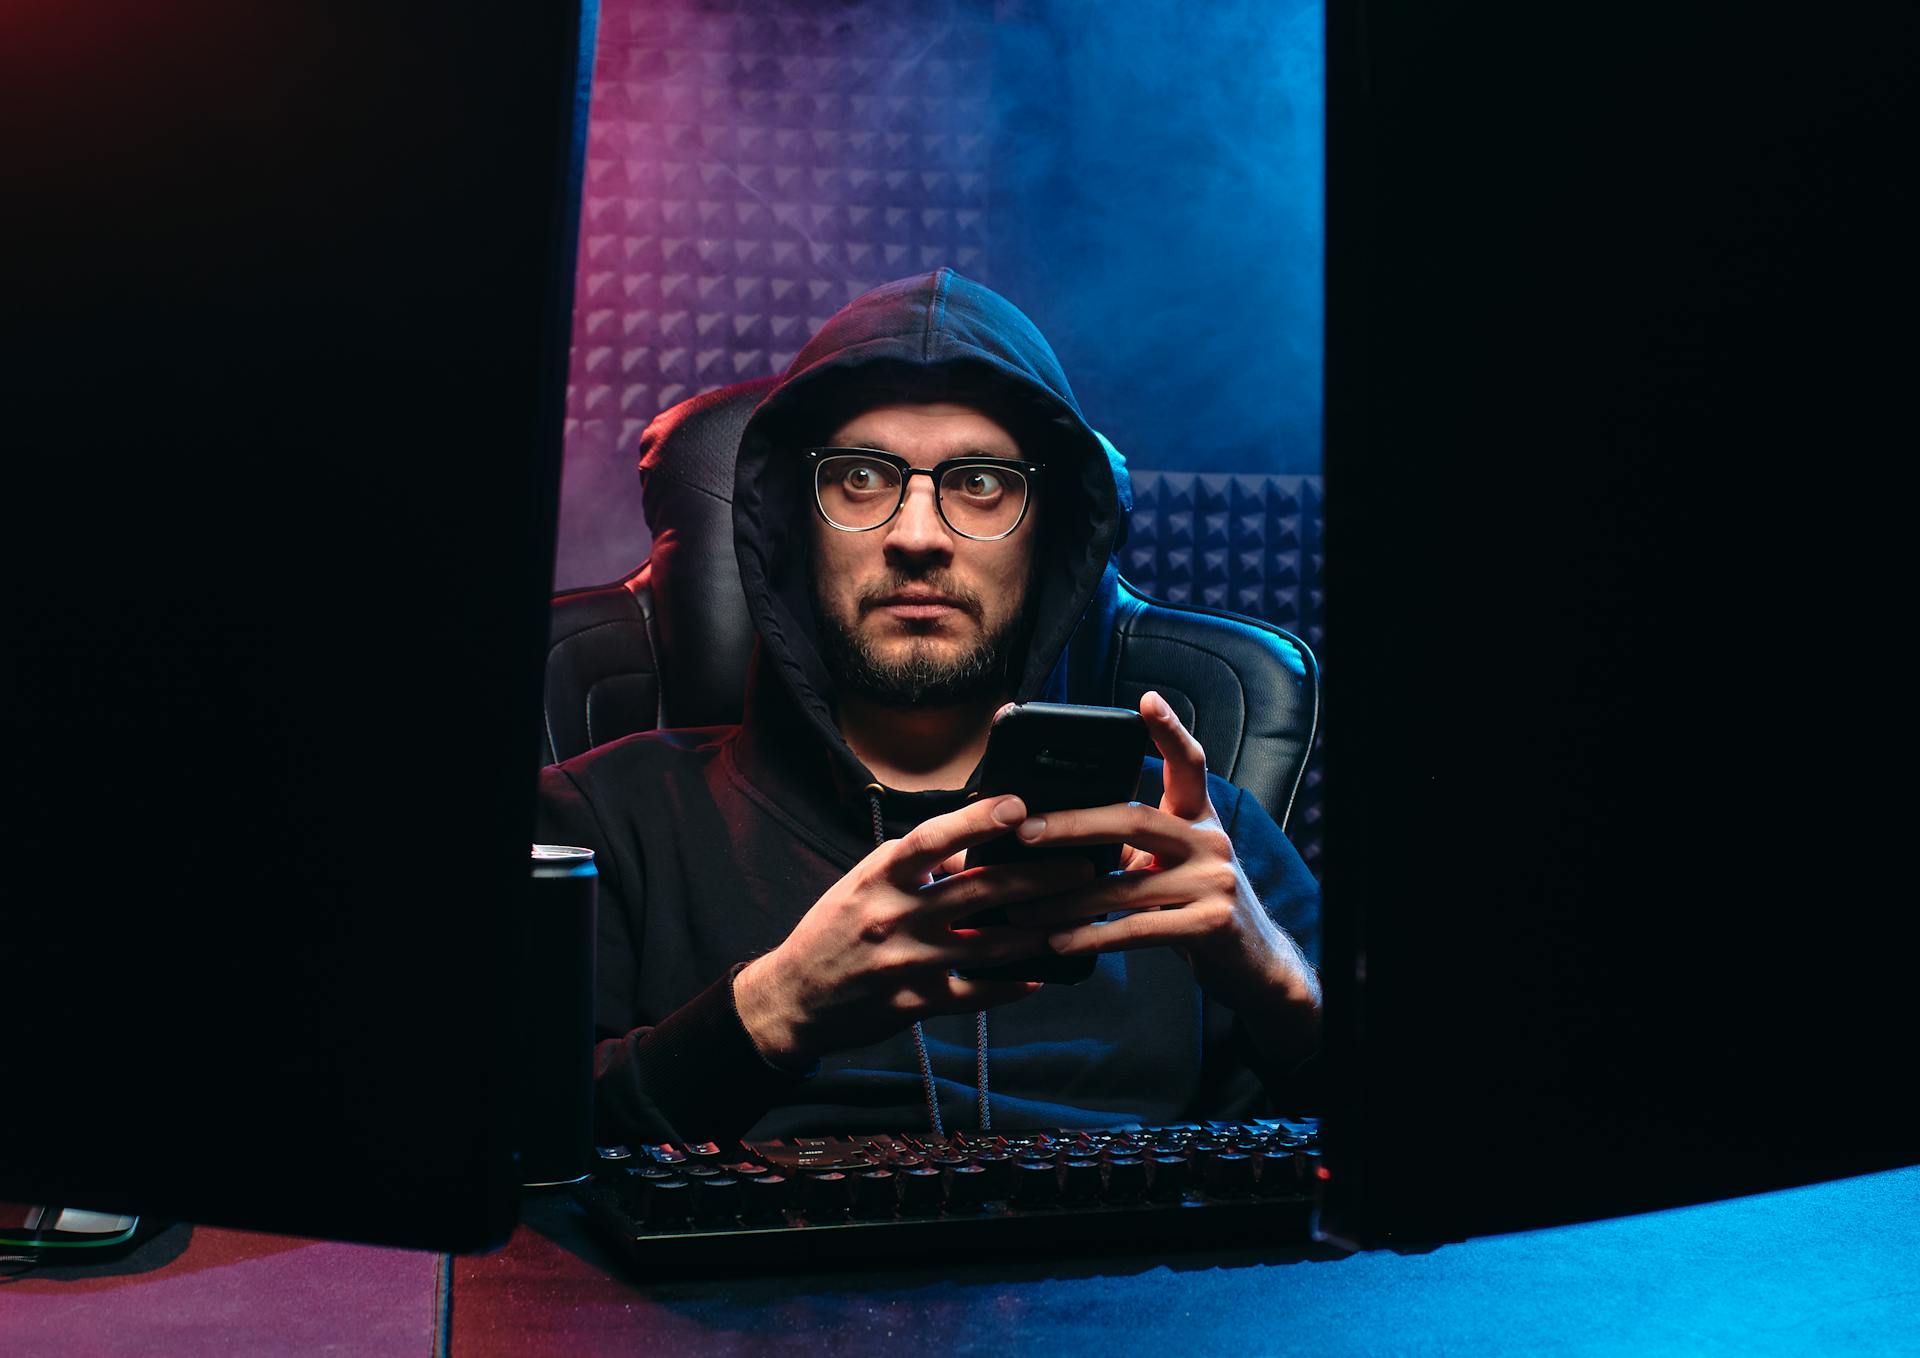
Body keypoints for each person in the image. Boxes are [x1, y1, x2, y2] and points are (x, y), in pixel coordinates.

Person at [536, 268, 1321, 1147]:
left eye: (980, 483)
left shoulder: (1202, 841)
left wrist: (1286, 993)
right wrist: (769, 1010)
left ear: (1051, 537)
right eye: (863, 478)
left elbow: (1430, 1170)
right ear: (795, 524)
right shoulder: (601, 823)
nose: (916, 537)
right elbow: (501, 1148)